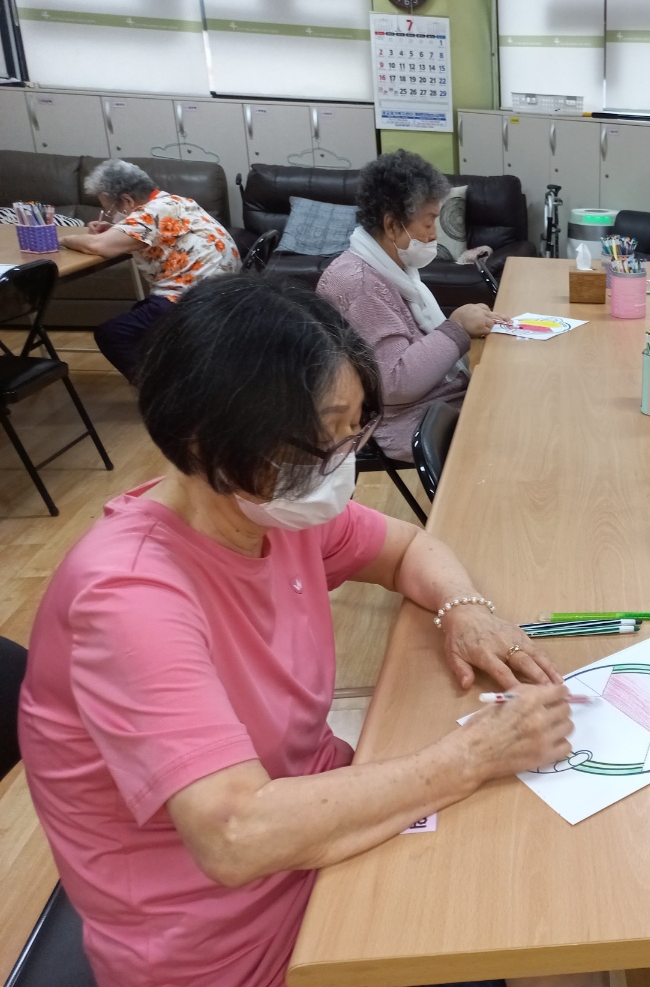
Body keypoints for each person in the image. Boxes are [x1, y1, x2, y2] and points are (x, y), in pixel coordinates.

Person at [17, 275, 603, 987]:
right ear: (209, 439)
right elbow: (236, 836)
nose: (340, 463)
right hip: (226, 945)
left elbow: (406, 548)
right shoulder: (129, 598)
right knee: (525, 906)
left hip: (321, 835)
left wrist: (465, 608)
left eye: (351, 432)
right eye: (320, 440)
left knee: (530, 875)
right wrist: (469, 757)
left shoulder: (269, 508)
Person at [317, 150, 508, 461]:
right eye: (429, 222)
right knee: (519, 427)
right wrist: (457, 327)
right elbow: (395, 382)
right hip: (407, 422)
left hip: (434, 403)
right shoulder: (359, 284)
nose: (434, 235)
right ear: (392, 225)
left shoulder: (391, 269)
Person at [59, 159, 240, 382]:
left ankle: (159, 389)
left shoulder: (149, 214)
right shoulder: (173, 202)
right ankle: (175, 374)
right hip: (223, 293)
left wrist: (64, 238)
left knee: (112, 334)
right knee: (140, 313)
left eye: (109, 209)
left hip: (193, 300)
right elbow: (151, 233)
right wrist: (114, 229)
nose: (108, 214)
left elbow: (99, 246)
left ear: (127, 201)